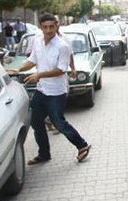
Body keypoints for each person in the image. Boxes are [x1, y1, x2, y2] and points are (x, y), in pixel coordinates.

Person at [8, 12, 91, 165]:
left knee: (58, 122)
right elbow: (32, 60)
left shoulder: (62, 46)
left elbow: (61, 70)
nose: (48, 31)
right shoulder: (37, 41)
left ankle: (82, 145)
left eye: (51, 27)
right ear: (41, 27)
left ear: (56, 26)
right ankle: (44, 154)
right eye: (45, 27)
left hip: (56, 92)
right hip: (42, 90)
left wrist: (39, 75)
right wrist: (18, 70)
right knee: (36, 121)